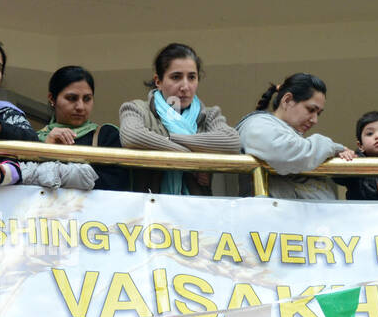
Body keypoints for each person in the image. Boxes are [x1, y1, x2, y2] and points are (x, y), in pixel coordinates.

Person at [119, 43, 240, 195]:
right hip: (149, 212)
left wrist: (170, 139)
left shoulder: (209, 114)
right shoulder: (137, 109)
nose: (185, 86)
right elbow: (131, 137)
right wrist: (195, 160)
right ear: (158, 81)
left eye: (191, 77)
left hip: (197, 212)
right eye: (176, 77)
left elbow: (232, 142)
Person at [238, 72, 353, 200]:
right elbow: (283, 152)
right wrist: (332, 147)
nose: (315, 120)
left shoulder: (290, 135)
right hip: (276, 216)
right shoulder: (257, 124)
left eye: (318, 114)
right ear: (287, 100)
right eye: (310, 110)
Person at [40, 66, 131, 192]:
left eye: (87, 99)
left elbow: (117, 184)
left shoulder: (106, 136)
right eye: (72, 98)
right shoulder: (35, 140)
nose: (81, 107)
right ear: (52, 99)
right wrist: (46, 149)